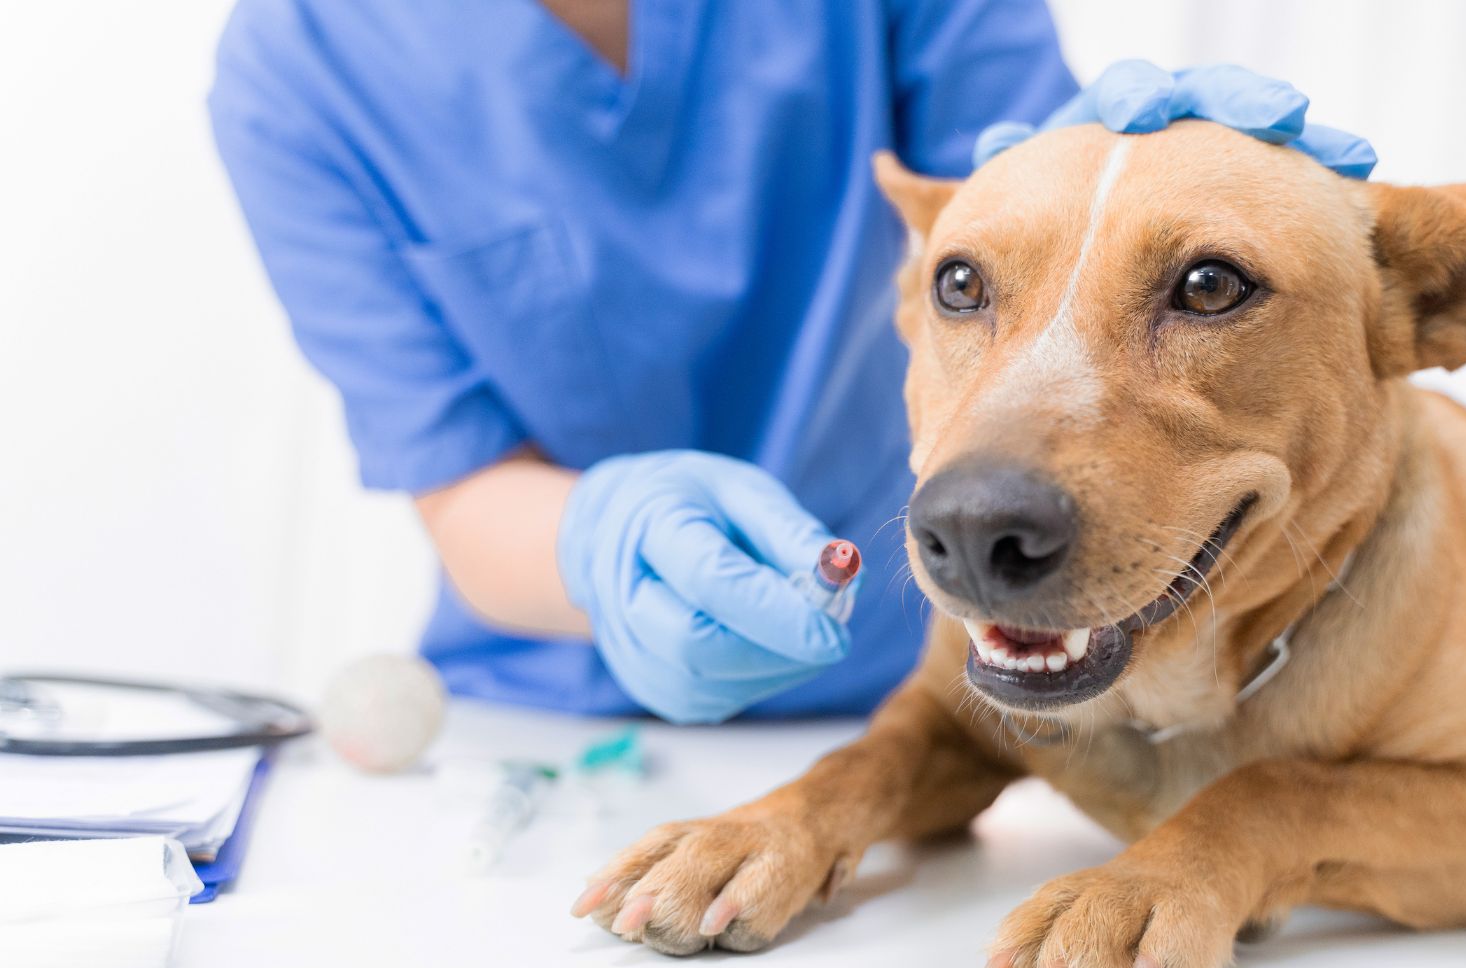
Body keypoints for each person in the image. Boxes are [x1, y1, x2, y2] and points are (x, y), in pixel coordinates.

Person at [209, 0, 1372, 724]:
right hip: (547, 705)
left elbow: (1029, 219)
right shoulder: (299, 66)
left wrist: (1185, 208)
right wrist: (605, 544)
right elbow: (463, 491)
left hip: (932, 675)